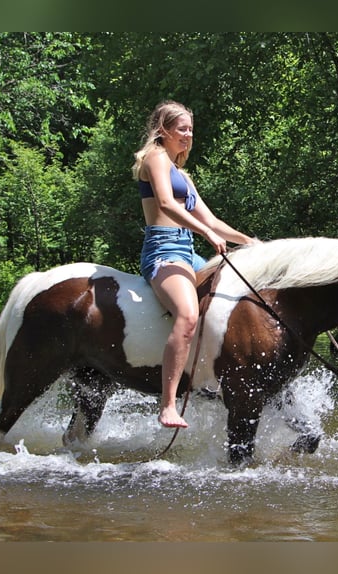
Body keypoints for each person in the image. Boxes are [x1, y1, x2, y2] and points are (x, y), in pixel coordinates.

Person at [132, 100, 258, 428]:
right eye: (182, 128)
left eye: (191, 129)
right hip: (164, 251)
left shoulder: (183, 176)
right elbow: (163, 203)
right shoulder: (155, 157)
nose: (188, 135)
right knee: (188, 315)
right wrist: (202, 231)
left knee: (232, 308)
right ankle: (169, 406)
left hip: (188, 253)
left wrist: (251, 243)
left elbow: (213, 220)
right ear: (163, 131)